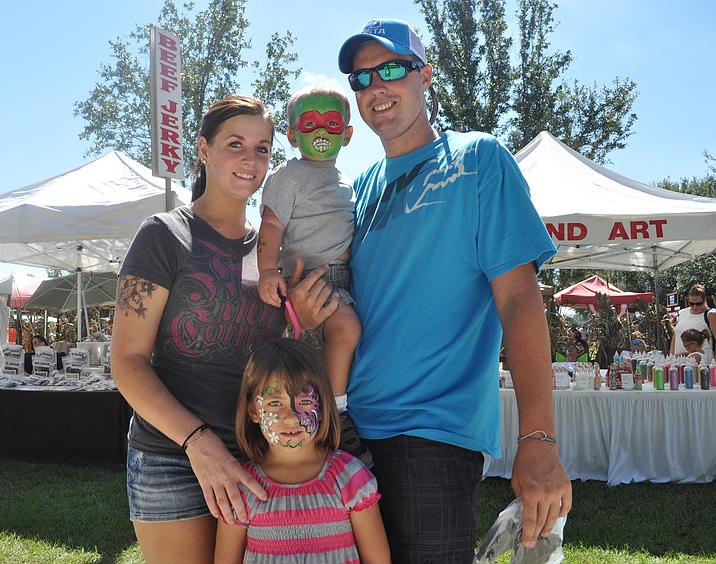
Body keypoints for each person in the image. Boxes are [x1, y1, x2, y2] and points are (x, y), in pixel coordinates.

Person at [336, 18, 571, 561]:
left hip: (431, 436)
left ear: (426, 76)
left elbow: (519, 299)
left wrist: (538, 439)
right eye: (361, 78)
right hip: (347, 433)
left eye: (392, 69)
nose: (375, 86)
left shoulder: (477, 158)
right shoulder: (361, 188)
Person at [110, 95, 338, 564]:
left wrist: (306, 325)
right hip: (171, 458)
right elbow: (127, 362)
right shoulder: (163, 235)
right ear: (203, 149)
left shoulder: (275, 255)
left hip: (262, 456)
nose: (250, 160)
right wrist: (199, 444)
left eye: (262, 149)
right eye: (235, 144)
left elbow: (279, 363)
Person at [257, 83, 371, 467]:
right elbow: (271, 226)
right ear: (292, 135)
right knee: (347, 330)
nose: (321, 131)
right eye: (309, 124)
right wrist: (267, 270)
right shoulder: (287, 176)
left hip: (342, 277)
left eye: (331, 123)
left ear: (347, 134)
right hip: (308, 278)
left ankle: (316, 414)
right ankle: (337, 413)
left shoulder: (346, 181)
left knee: (335, 344)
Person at [215, 338, 390, 563]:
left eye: (305, 402)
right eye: (275, 403)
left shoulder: (350, 477)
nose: (291, 417)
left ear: (323, 405)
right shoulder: (241, 487)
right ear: (253, 411)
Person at [670, 283, 716, 357]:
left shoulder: (711, 314)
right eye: (691, 304)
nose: (695, 307)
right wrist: (671, 356)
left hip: (702, 362)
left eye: (698, 304)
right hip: (678, 362)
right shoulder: (682, 313)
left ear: (704, 300)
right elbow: (675, 337)